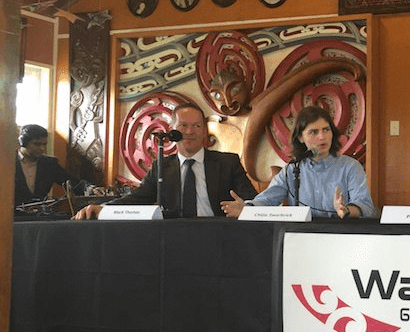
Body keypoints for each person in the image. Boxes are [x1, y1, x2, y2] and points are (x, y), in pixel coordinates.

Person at [73, 103, 257, 219]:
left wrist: (246, 207)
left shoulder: (228, 163)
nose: (190, 132)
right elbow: (138, 199)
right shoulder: (161, 166)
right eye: (183, 126)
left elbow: (253, 201)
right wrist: (102, 209)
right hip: (173, 236)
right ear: (172, 130)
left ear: (204, 131)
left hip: (219, 234)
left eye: (196, 126)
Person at [221, 106, 375, 219]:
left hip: (340, 236)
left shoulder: (349, 166)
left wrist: (346, 210)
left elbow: (366, 207)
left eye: (326, 130)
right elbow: (268, 199)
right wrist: (246, 208)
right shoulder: (292, 170)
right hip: (301, 238)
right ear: (301, 138)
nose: (322, 137)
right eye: (314, 132)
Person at [15, 124, 84, 207]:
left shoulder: (50, 164)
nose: (42, 148)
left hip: (40, 216)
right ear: (23, 142)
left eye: (44, 144)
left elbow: (73, 183)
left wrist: (90, 188)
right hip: (8, 215)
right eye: (37, 144)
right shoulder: (6, 163)